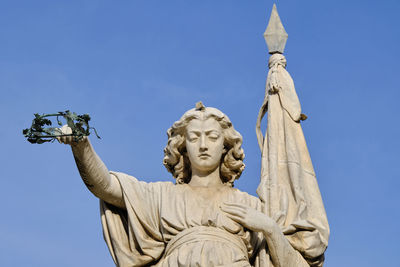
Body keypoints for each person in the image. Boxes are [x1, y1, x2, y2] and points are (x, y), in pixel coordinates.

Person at [59, 102, 309, 267]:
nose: (203, 145)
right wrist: (81, 147)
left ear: (225, 146)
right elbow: (106, 187)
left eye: (212, 137)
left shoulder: (251, 206)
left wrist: (270, 229)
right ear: (182, 146)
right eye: (194, 137)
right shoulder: (161, 195)